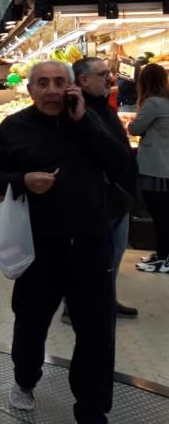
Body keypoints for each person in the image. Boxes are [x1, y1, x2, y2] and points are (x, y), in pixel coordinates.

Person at [0, 61, 132, 423]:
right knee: (31, 323)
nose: (51, 90)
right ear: (30, 90)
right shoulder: (15, 127)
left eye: (59, 82)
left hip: (92, 241)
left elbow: (123, 166)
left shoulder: (94, 119)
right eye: (42, 83)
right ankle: (25, 379)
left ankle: (92, 408)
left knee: (96, 331)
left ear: (72, 87)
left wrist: (86, 122)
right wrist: (22, 180)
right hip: (39, 246)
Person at [69, 58, 138, 319]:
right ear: (83, 80)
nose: (110, 78)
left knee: (114, 253)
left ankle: (107, 298)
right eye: (102, 74)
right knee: (96, 256)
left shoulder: (100, 105)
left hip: (118, 194)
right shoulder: (80, 110)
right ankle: (78, 305)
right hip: (100, 197)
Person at [129, 64, 169, 275]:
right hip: (164, 165)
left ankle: (163, 258)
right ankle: (163, 254)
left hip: (156, 168)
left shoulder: (153, 103)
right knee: (163, 213)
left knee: (159, 214)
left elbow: (134, 128)